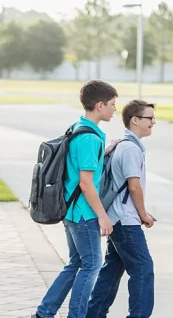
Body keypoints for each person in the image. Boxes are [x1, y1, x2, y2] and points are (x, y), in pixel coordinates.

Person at [33, 80, 118, 318]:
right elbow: (86, 182)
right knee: (90, 265)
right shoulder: (90, 139)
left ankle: (44, 313)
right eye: (112, 104)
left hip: (69, 210)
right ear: (100, 105)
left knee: (75, 264)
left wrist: (105, 152)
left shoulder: (78, 127)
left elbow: (80, 166)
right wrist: (103, 216)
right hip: (84, 213)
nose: (114, 109)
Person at [86, 99, 158, 318]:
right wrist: (143, 214)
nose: (153, 122)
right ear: (134, 120)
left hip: (117, 218)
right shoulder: (129, 149)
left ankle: (93, 314)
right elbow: (134, 187)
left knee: (112, 270)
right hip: (125, 221)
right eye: (149, 118)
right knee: (143, 270)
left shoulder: (125, 145)